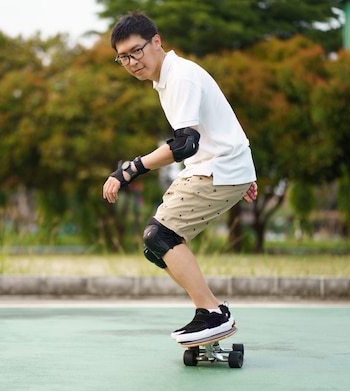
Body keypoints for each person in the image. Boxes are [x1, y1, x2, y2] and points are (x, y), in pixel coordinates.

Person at [102, 12, 258, 344]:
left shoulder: (181, 77)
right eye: (123, 57)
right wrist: (245, 171)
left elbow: (186, 143)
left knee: (160, 236)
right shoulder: (169, 79)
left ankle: (212, 313)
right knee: (155, 246)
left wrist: (130, 169)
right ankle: (211, 311)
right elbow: (220, 121)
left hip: (218, 168)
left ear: (156, 41)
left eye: (136, 51)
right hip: (220, 167)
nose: (131, 63)